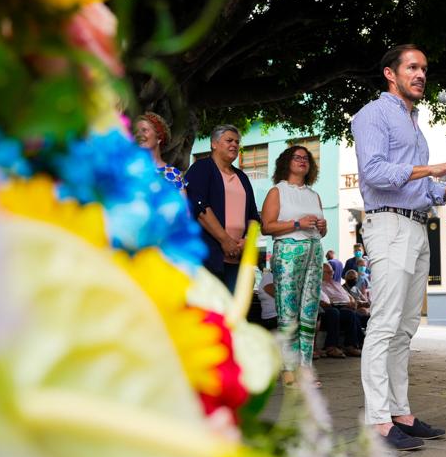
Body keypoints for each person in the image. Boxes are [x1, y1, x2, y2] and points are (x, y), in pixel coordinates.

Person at [352, 43, 446, 450]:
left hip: (416, 226)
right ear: (390, 74)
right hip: (388, 225)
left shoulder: (414, 124)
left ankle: (400, 411)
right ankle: (379, 420)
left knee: (405, 327)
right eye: (412, 67)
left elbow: (421, 186)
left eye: (425, 69)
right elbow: (376, 173)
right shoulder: (372, 115)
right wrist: (431, 169)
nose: (421, 75)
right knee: (384, 323)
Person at [260, 144, 327, 387]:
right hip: (288, 251)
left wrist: (322, 227)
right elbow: (266, 226)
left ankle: (306, 367)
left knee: (309, 311)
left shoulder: (313, 194)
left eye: (306, 158)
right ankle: (289, 368)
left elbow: (321, 228)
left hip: (313, 251)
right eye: (297, 157)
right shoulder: (277, 191)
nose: (302, 161)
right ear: (286, 162)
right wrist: (298, 223)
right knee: (288, 310)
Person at [185, 125, 260, 290]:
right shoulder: (202, 167)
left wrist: (247, 240)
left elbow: (254, 215)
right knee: (210, 309)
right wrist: (225, 240)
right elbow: (199, 208)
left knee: (233, 311)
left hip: (238, 258)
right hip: (208, 256)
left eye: (237, 142)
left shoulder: (242, 177)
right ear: (214, 144)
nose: (234, 144)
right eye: (229, 140)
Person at [319, 263, 363, 357]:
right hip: (331, 307)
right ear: (321, 273)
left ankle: (351, 345)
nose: (332, 274)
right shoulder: (320, 284)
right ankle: (331, 347)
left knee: (353, 314)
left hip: (344, 306)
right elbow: (326, 301)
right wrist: (344, 304)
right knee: (335, 312)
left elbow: (349, 296)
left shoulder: (336, 284)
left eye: (332, 271)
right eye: (329, 272)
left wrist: (352, 302)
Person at [134, 111, 186, 190]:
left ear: (159, 138)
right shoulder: (128, 171)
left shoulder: (174, 175)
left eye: (144, 130)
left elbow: (182, 202)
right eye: (135, 132)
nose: (138, 135)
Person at [250, 259, 278, 332]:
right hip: (273, 318)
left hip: (271, 318)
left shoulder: (268, 277)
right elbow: (276, 295)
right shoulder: (269, 277)